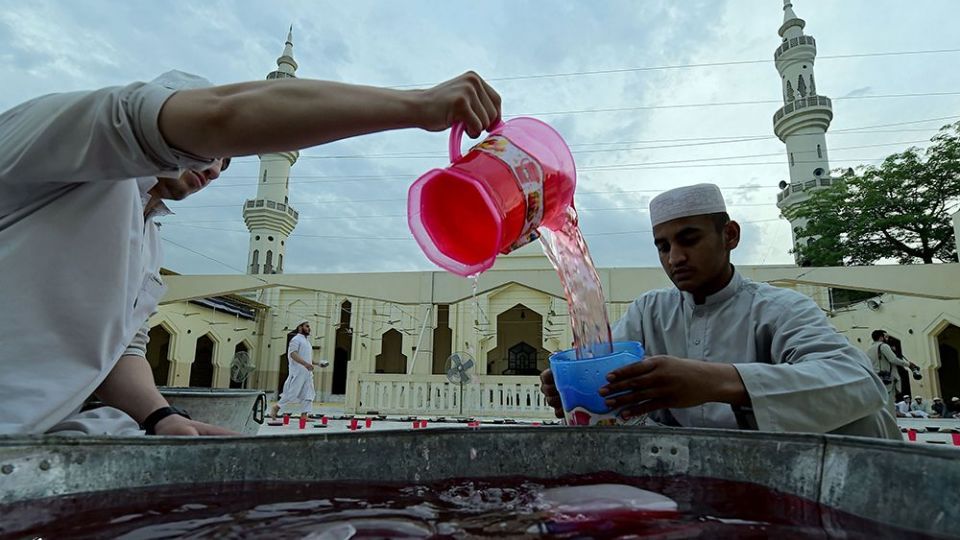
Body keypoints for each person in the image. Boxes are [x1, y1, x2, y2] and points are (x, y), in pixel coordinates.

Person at [0, 69, 502, 436]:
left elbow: (118, 351)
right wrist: (417, 106)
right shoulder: (71, 135)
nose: (215, 168)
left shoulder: (146, 235)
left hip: (37, 442)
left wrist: (164, 417)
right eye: (210, 153)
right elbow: (221, 116)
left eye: (224, 162)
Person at [539, 183, 899, 439]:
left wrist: (718, 381)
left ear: (730, 235)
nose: (674, 258)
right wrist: (569, 387)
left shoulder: (781, 309)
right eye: (663, 246)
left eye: (689, 239)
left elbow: (860, 384)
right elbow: (602, 372)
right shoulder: (649, 313)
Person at [270, 320, 327, 420]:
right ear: (300, 327)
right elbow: (293, 354)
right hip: (298, 372)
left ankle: (304, 415)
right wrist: (305, 364)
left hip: (307, 373)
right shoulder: (295, 340)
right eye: (307, 326)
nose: (309, 328)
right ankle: (276, 407)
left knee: (309, 392)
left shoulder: (307, 342)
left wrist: (317, 363)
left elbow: (307, 359)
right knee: (292, 392)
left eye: (309, 326)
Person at [866, 330, 912, 415]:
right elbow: (893, 359)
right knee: (889, 404)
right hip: (887, 379)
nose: (887, 338)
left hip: (876, 379)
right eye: (886, 336)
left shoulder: (869, 349)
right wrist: (908, 364)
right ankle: (891, 425)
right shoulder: (884, 346)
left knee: (881, 403)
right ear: (881, 337)